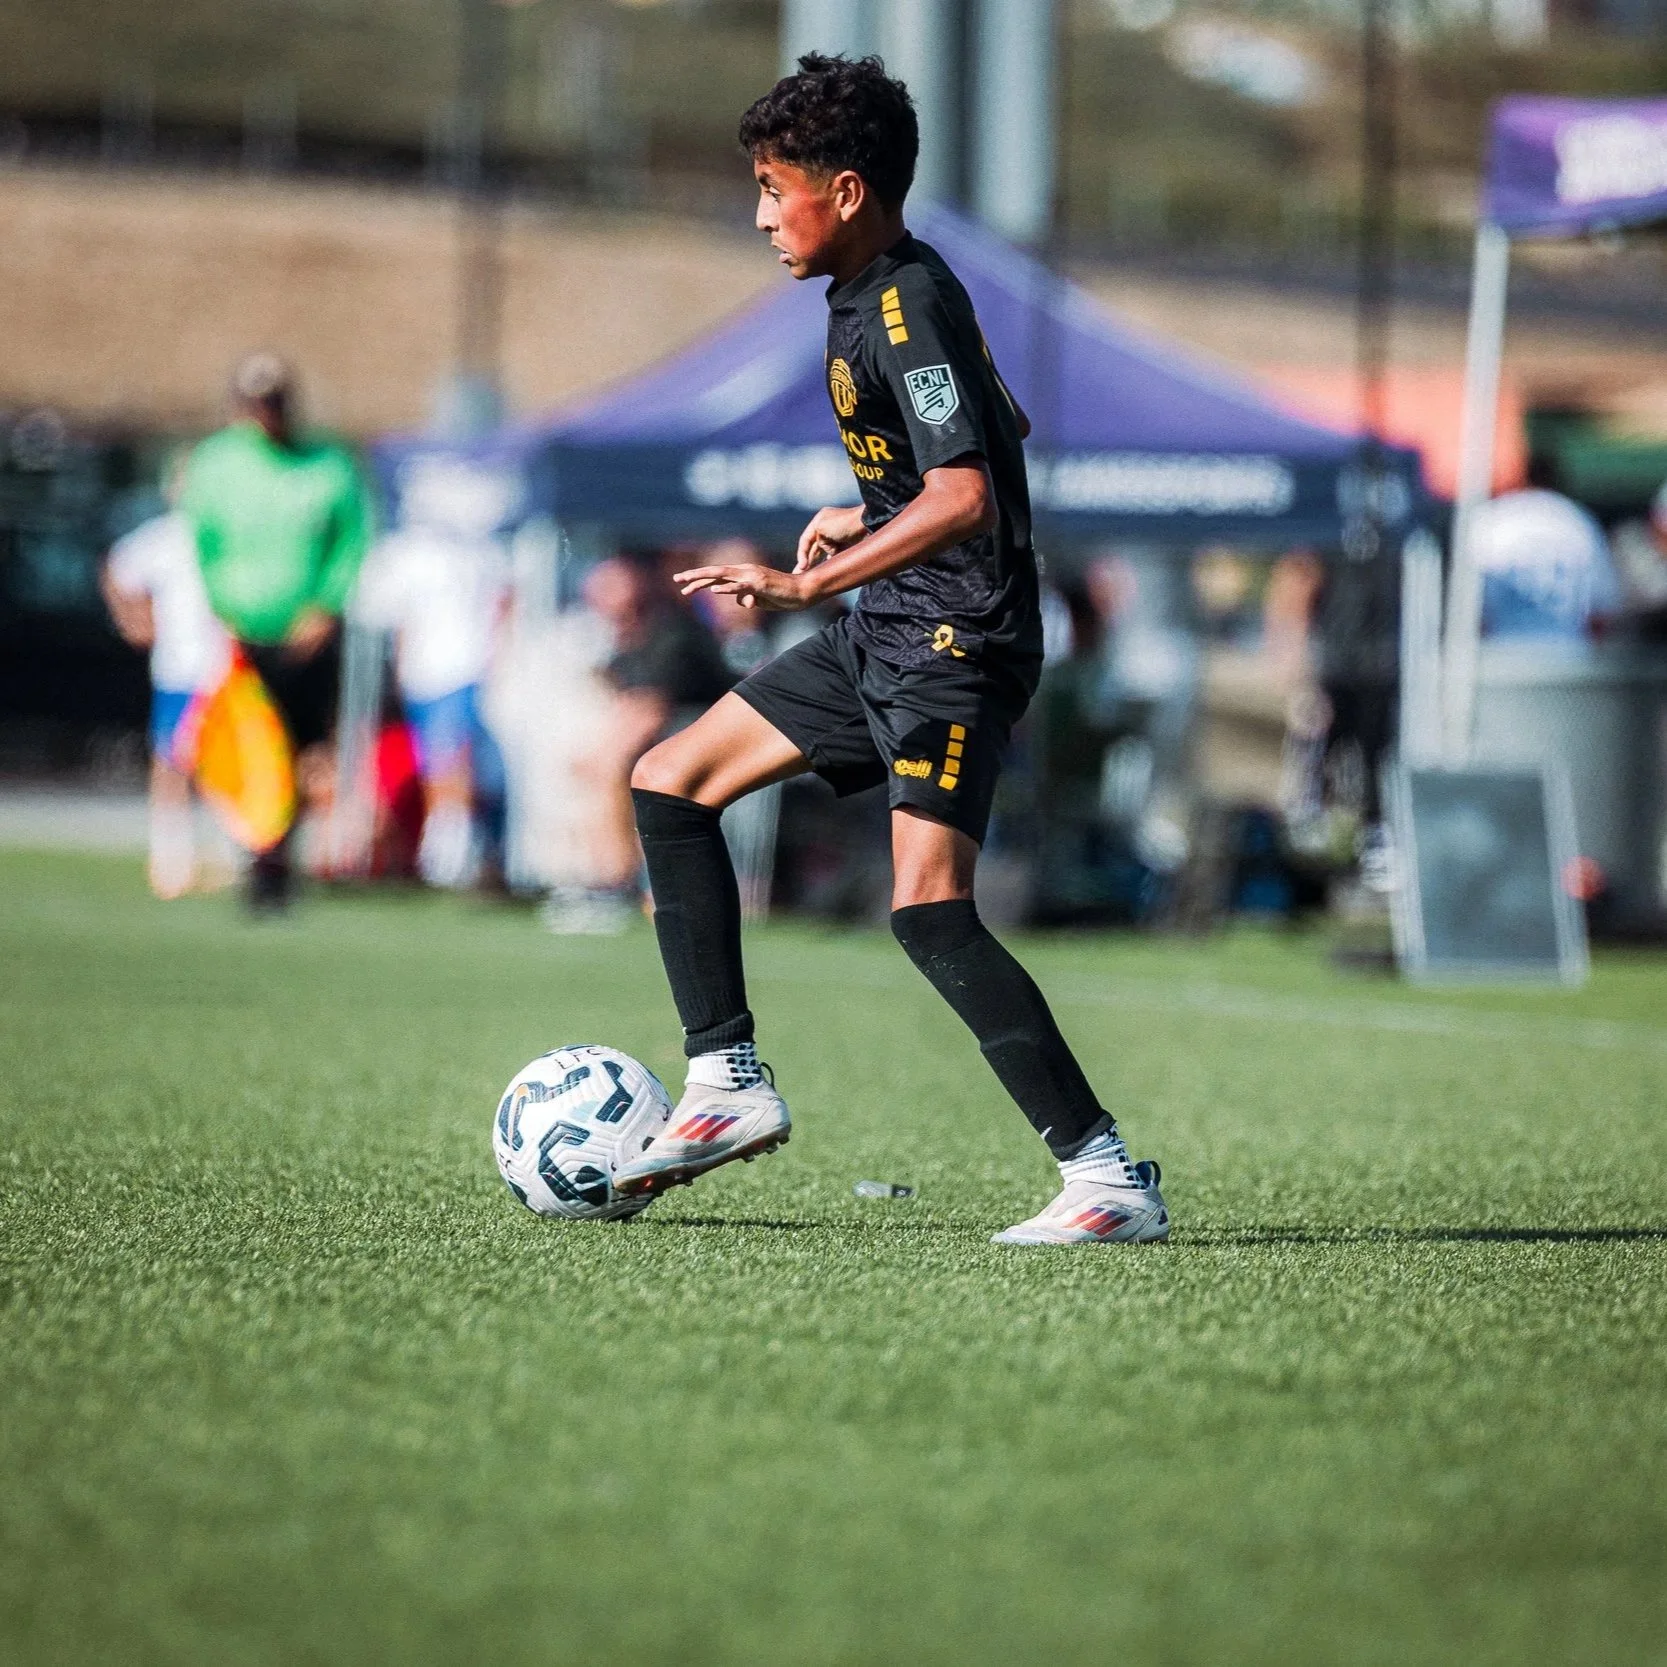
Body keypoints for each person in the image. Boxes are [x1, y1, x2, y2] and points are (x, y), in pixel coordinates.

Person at [614, 54, 1168, 1246]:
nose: (761, 214)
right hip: (891, 619)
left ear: (847, 190)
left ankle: (1104, 1173)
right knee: (669, 780)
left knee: (928, 909)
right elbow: (999, 424)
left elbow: (966, 492)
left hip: (951, 641)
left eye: (775, 188)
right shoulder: (881, 294)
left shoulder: (903, 300)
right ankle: (723, 1083)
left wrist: (808, 575)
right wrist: (871, 513)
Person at [181, 353, 371, 909]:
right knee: (243, 748)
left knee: (304, 753)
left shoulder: (327, 465)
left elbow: (351, 542)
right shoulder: (217, 464)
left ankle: (281, 856)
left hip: (306, 637)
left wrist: (325, 606)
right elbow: (205, 544)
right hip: (243, 636)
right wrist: (223, 609)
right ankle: (256, 850)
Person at [548, 554, 735, 934]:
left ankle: (614, 886)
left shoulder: (670, 635)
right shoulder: (625, 642)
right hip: (674, 748)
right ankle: (605, 879)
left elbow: (649, 710)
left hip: (717, 749)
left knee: (612, 771)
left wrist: (601, 758)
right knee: (599, 768)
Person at [352, 516, 510, 889]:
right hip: (425, 679)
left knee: (455, 763)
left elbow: (505, 602)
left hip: (464, 674)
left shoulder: (480, 548)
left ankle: (454, 859)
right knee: (438, 766)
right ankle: (447, 856)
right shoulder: (406, 552)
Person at [100, 462, 232, 899]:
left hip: (229, 672)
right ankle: (171, 855)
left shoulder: (233, 534)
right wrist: (134, 620)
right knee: (172, 762)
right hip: (180, 668)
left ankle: (229, 854)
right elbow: (117, 572)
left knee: (229, 764)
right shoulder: (163, 538)